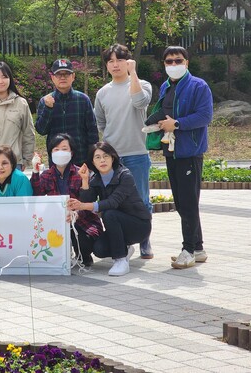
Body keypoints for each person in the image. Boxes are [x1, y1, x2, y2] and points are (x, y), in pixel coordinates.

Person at [154, 46, 213, 269]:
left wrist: (177, 124)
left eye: (178, 60)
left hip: (190, 152)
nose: (173, 64)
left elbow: (205, 116)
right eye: (169, 61)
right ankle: (198, 248)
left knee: (188, 202)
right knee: (182, 202)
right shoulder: (166, 86)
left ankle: (187, 250)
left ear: (187, 62)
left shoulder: (199, 86)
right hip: (171, 150)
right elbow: (164, 112)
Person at [94, 44, 154, 258]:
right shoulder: (102, 93)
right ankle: (124, 241)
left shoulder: (142, 84)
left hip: (137, 153)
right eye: (110, 61)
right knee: (115, 203)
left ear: (128, 61)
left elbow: (140, 102)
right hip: (112, 159)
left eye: (119, 60)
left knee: (142, 200)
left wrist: (133, 73)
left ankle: (145, 241)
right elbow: (101, 122)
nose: (115, 64)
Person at [68, 142, 151, 277]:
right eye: (98, 157)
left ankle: (120, 260)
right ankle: (125, 249)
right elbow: (88, 199)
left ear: (113, 158)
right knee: (99, 249)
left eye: (106, 156)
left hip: (139, 226)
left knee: (109, 213)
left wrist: (82, 206)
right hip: (117, 226)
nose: (102, 160)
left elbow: (113, 202)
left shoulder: (124, 175)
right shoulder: (96, 179)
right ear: (93, 162)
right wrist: (85, 180)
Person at [30, 133, 102, 267]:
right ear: (51, 153)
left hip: (82, 221)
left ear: (71, 152)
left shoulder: (81, 173)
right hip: (56, 221)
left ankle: (83, 256)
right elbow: (36, 195)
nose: (60, 152)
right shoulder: (46, 175)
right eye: (56, 149)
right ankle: (61, 256)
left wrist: (76, 214)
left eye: (64, 149)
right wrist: (35, 171)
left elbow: (89, 201)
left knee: (84, 240)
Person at [35, 59, 98, 167]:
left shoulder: (83, 99)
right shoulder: (45, 101)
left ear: (73, 76)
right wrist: (48, 109)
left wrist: (92, 159)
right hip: (56, 160)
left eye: (66, 74)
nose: (62, 77)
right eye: (58, 74)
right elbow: (41, 130)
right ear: (52, 78)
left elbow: (92, 132)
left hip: (81, 159)